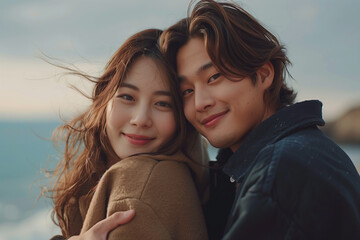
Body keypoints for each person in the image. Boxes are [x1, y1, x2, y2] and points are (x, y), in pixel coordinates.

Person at [158, 0, 360, 239]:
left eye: (214, 77)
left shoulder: (280, 172)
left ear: (263, 74)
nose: (200, 102)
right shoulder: (307, 150)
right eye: (187, 91)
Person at [47, 28, 209, 240]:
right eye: (127, 97)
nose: (140, 119)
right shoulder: (182, 169)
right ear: (105, 99)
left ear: (181, 117)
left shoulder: (141, 186)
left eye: (162, 103)